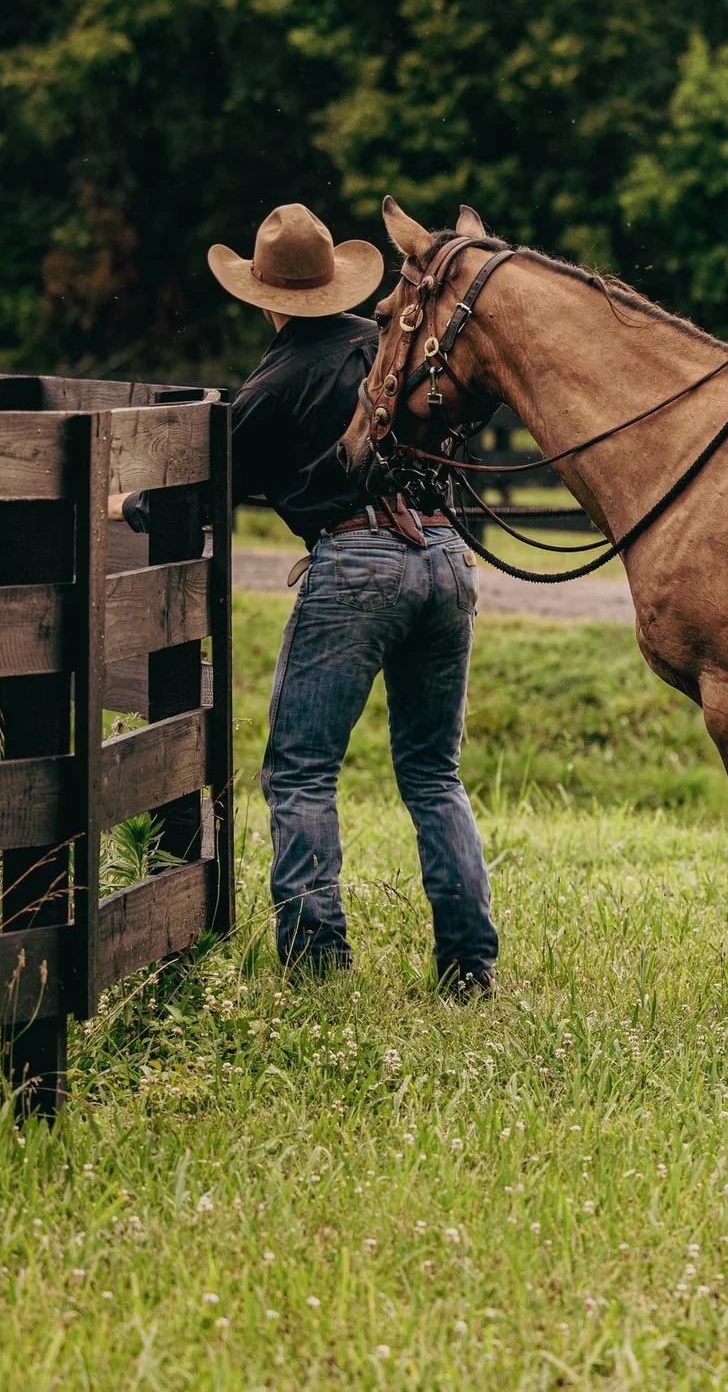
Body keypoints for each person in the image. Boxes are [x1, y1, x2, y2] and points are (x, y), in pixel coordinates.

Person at [208, 203, 499, 995]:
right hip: (445, 554)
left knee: (302, 771)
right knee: (434, 771)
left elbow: (201, 493)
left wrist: (123, 506)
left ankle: (316, 963)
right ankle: (470, 964)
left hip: (356, 560)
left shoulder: (268, 388)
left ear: (264, 298)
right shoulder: (392, 347)